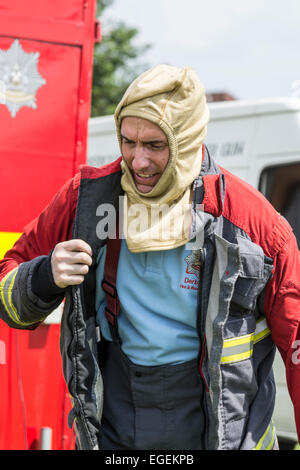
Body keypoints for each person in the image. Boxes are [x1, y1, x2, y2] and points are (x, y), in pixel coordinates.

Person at [0, 64, 299, 451]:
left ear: (188, 141)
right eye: (127, 142)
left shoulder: (252, 223)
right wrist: (44, 276)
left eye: (155, 146)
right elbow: (8, 296)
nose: (137, 161)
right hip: (115, 430)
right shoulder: (85, 202)